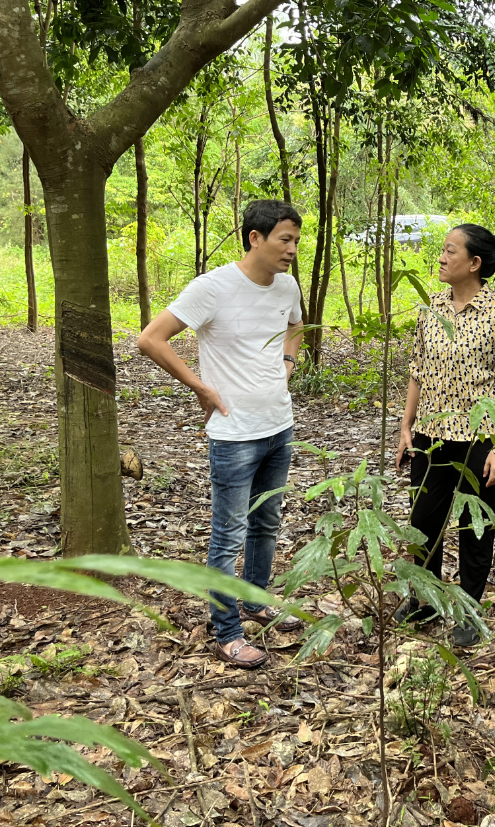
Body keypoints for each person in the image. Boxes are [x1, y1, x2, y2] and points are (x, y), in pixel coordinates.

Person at [138, 200, 305, 669]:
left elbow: (296, 325)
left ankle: (254, 599)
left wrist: (288, 362)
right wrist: (199, 386)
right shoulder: (213, 287)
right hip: (234, 433)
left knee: (266, 523)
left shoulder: (287, 286)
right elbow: (151, 338)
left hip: (279, 425)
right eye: (284, 239)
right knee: (228, 535)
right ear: (256, 238)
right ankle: (227, 630)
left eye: (295, 240)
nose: (291, 249)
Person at [393, 224, 495, 648]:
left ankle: (469, 608)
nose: (441, 258)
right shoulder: (431, 307)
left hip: (480, 439)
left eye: (450, 251)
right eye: (442, 251)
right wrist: (405, 426)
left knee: (475, 526)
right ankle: (427, 599)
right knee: (423, 521)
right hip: (431, 435)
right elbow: (418, 368)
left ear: (474, 263)